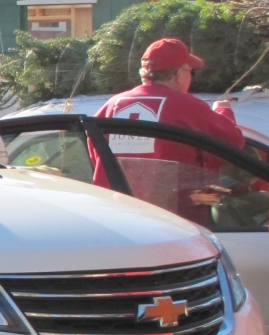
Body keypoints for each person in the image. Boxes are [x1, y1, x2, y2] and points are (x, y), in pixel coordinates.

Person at [93, 38, 243, 222]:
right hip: (173, 221)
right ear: (179, 75)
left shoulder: (112, 105)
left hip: (115, 218)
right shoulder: (187, 106)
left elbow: (94, 153)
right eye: (190, 71)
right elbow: (232, 144)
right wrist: (223, 111)